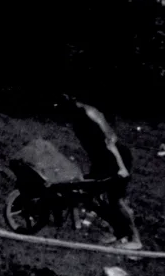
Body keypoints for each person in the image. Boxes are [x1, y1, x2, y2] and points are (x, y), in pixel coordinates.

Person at [60, 95, 141, 249]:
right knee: (92, 195)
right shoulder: (76, 120)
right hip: (103, 161)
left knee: (117, 200)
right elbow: (93, 147)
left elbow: (111, 138)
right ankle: (120, 233)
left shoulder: (90, 113)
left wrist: (121, 167)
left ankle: (135, 239)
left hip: (117, 158)